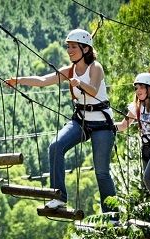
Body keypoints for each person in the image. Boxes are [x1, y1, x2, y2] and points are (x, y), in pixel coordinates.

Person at [6, 29, 117, 213]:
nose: (69, 50)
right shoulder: (70, 70)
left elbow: (94, 90)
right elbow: (43, 80)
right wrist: (18, 80)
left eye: (73, 47)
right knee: (56, 146)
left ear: (86, 49)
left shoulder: (95, 67)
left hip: (102, 125)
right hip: (81, 120)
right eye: (68, 47)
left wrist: (79, 83)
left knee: (102, 172)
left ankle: (112, 214)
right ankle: (58, 197)